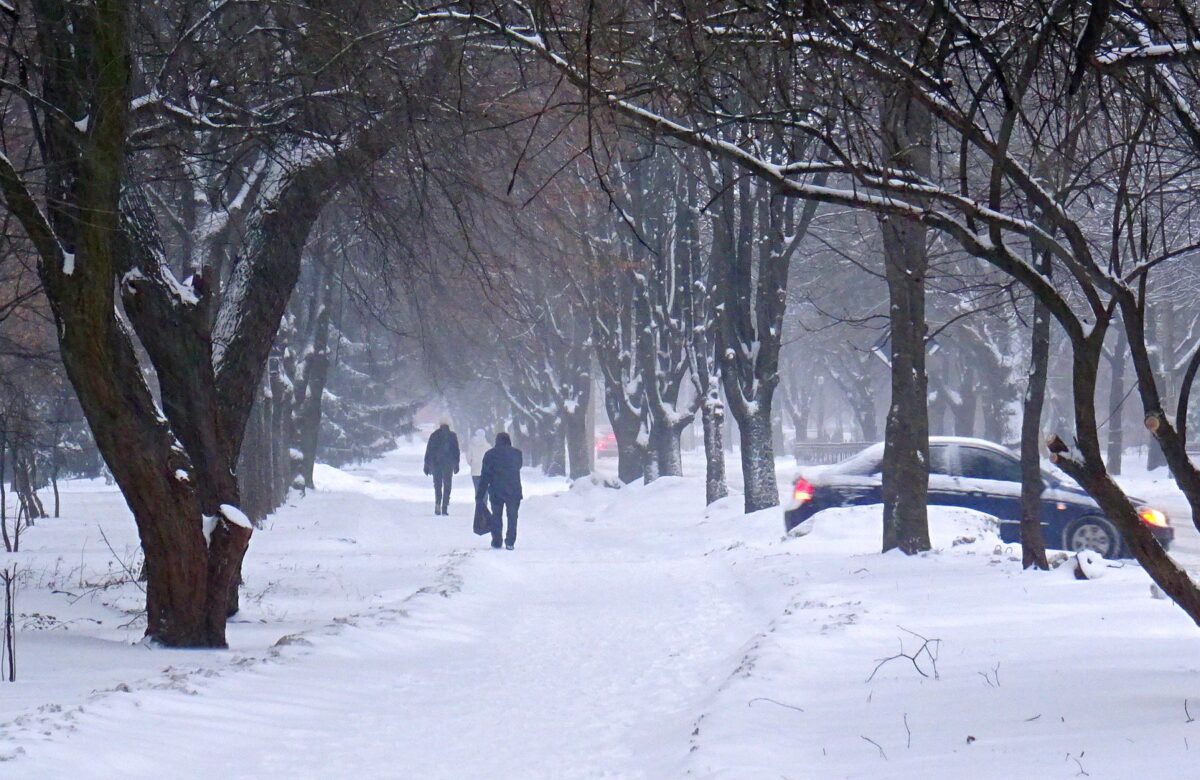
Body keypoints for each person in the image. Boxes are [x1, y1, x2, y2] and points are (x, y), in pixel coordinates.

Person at [475, 432, 523, 550]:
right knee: (512, 516)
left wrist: (479, 495)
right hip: (514, 489)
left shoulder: (490, 455)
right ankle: (510, 541)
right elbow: (518, 466)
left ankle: (497, 540)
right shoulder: (517, 454)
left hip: (496, 490)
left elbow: (485, 476)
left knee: (497, 515)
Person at [423, 421, 460, 516]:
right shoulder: (452, 436)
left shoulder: (434, 435)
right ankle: (445, 507)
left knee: (438, 485)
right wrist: (456, 464)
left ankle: (437, 503)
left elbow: (429, 450)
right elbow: (456, 451)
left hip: (436, 464)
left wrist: (427, 464)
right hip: (448, 464)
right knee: (447, 485)